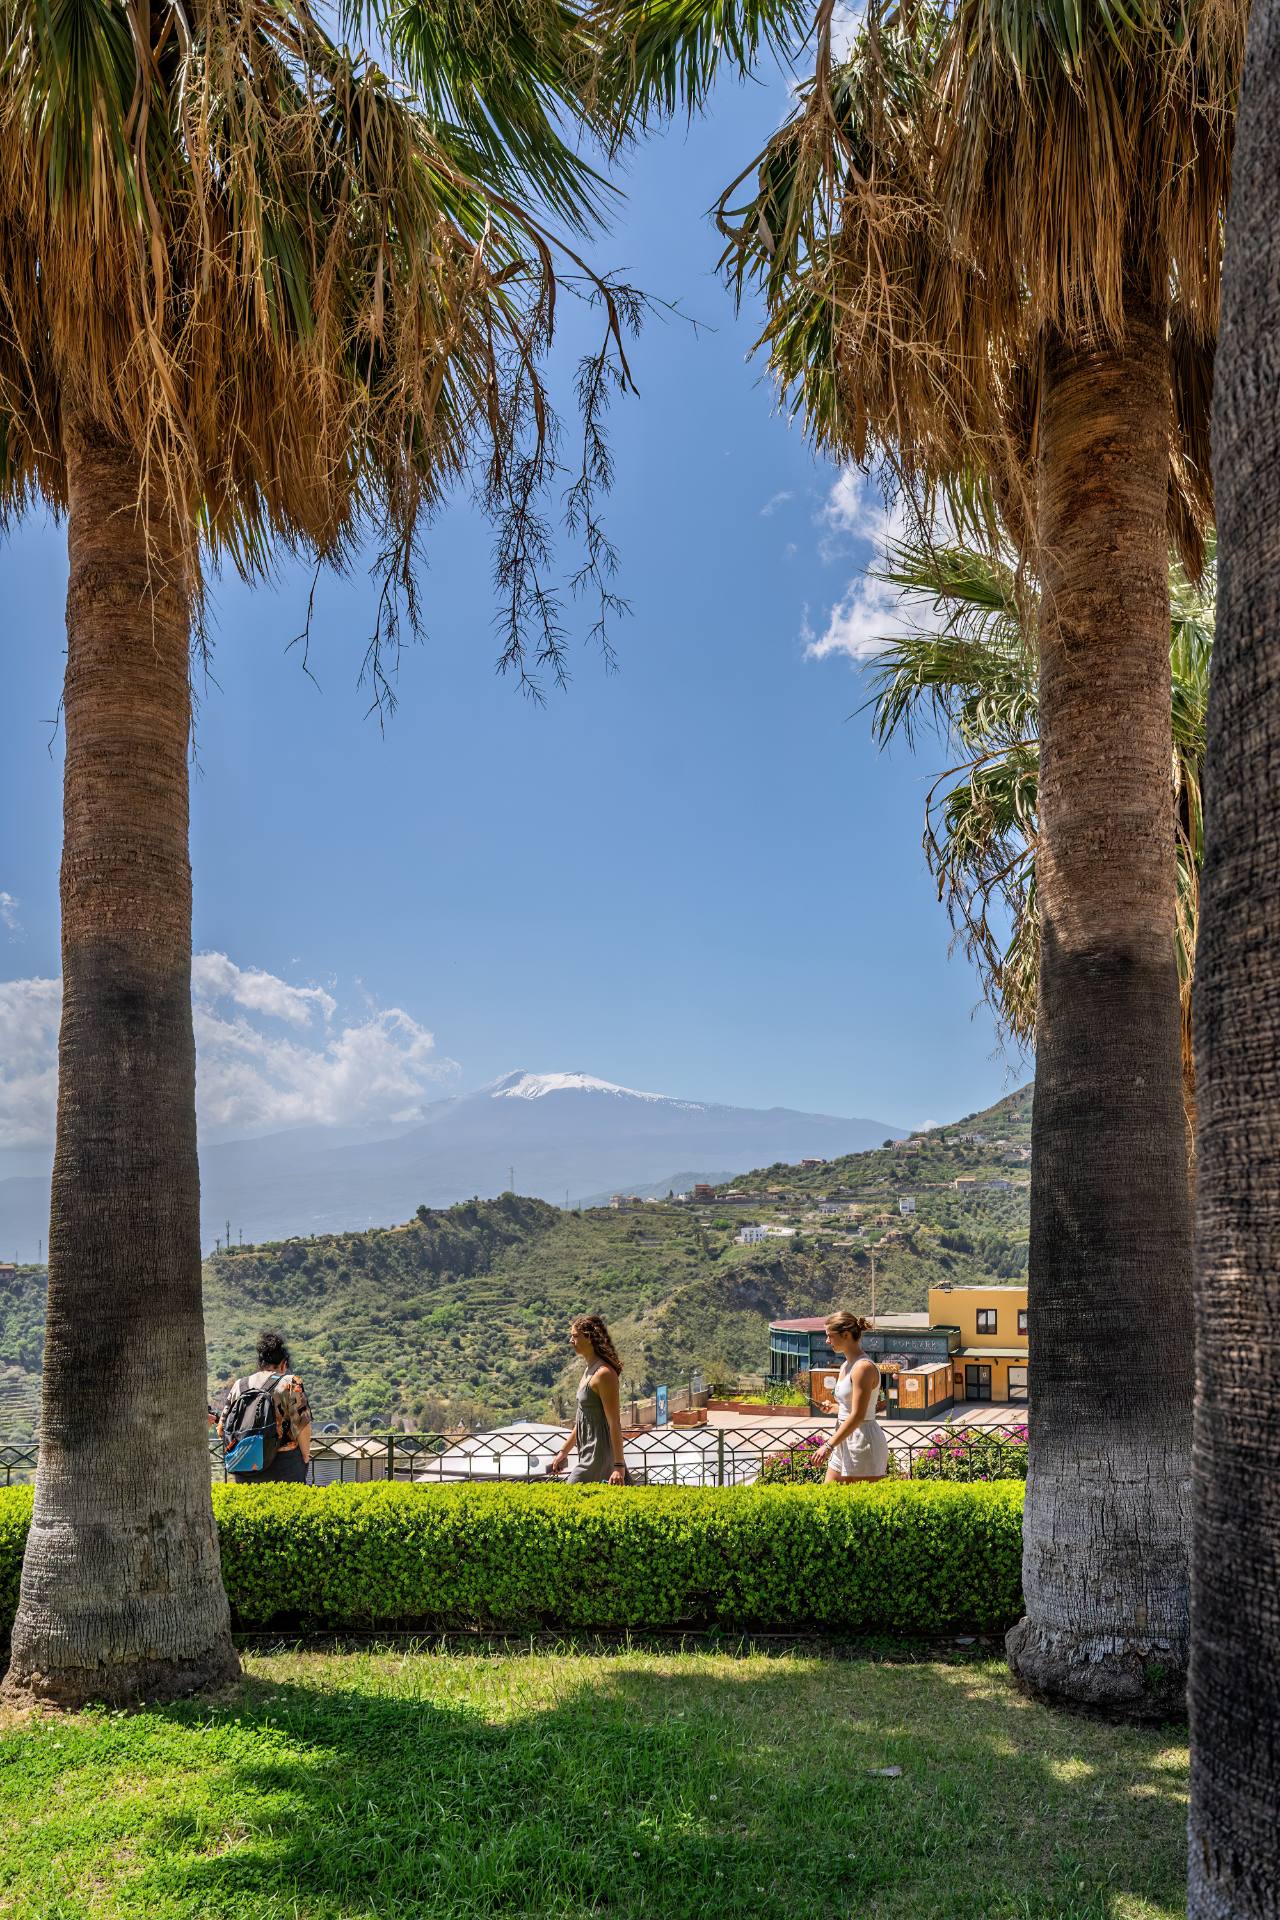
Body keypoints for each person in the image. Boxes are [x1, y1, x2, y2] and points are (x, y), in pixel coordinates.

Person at [218, 1330, 313, 1484]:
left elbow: (222, 1428)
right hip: (284, 1465)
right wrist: (305, 1457)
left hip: (246, 1465)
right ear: (283, 1364)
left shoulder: (240, 1385)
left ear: (260, 1363)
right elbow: (303, 1425)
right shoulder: (290, 1382)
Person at [546, 1315, 628, 1485]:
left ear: (589, 1338)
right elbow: (582, 1419)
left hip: (599, 1454)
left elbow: (614, 1422)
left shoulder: (604, 1373)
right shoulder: (588, 1371)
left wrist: (619, 1465)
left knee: (570, 1494)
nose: (571, 1341)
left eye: (575, 1336)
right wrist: (564, 1452)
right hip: (587, 1452)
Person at [813, 1311, 889, 1484]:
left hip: (862, 1442)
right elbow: (851, 1409)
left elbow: (859, 1415)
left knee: (863, 1506)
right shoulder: (846, 1366)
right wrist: (832, 1408)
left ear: (846, 1335)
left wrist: (827, 1445)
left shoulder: (863, 1368)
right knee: (828, 1501)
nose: (827, 1341)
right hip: (843, 1440)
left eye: (830, 1336)